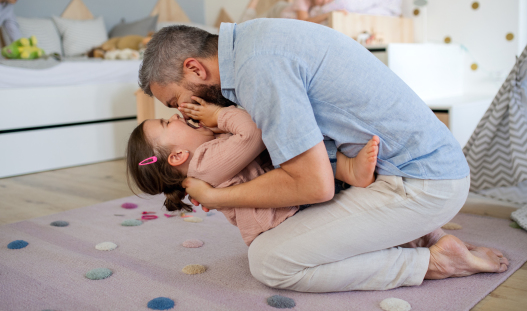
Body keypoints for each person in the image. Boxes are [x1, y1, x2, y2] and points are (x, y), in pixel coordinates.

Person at [138, 22, 509, 292]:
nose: (185, 112)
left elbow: (315, 186)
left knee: (269, 262)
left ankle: (432, 263)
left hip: (421, 184)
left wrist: (217, 197)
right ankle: (423, 236)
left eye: (177, 102)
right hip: (422, 169)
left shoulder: (259, 71)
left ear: (195, 68)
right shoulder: (257, 40)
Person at [126, 97, 380, 246]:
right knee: (289, 148)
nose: (174, 117)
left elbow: (237, 141)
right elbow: (252, 131)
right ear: (177, 156)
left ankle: (346, 172)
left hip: (279, 212)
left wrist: (212, 127)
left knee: (287, 152)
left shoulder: (204, 161)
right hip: (280, 218)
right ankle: (348, 169)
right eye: (166, 123)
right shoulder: (204, 163)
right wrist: (219, 114)